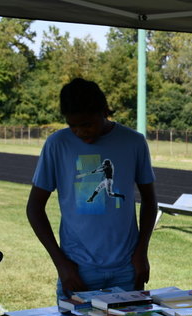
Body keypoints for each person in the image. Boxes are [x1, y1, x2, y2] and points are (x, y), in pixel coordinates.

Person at [26, 78, 157, 300]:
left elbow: (150, 201)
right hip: (78, 271)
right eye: (72, 126)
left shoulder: (133, 142)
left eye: (87, 124)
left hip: (127, 269)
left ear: (104, 111)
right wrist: (61, 264)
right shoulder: (57, 144)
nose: (80, 132)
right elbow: (34, 208)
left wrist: (141, 252)